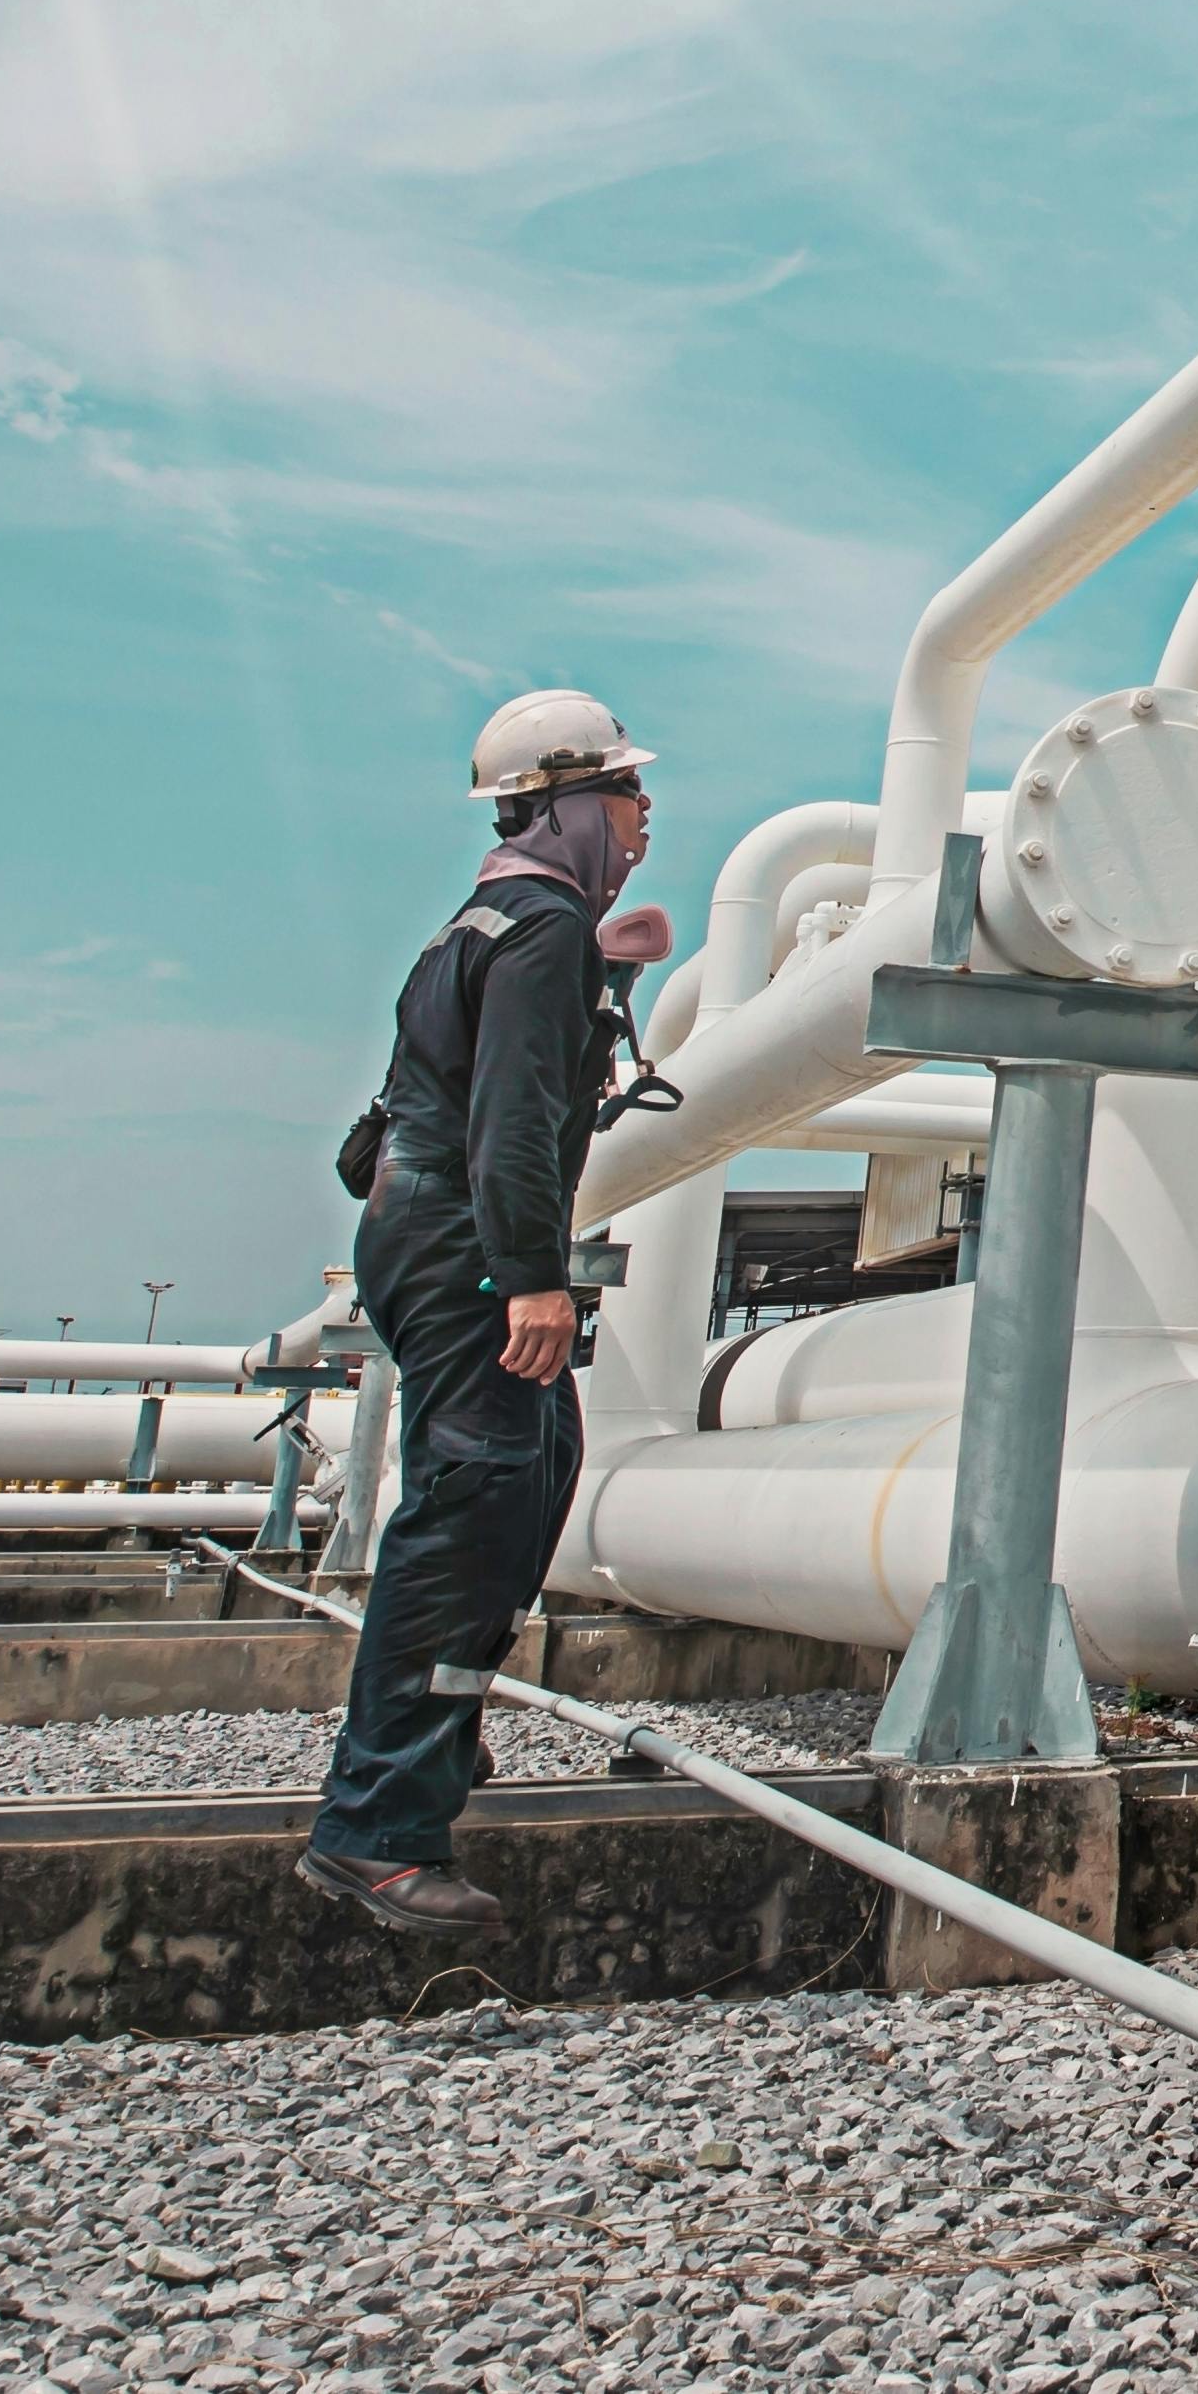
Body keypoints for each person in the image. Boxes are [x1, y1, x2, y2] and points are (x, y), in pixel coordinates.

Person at [301, 687, 676, 1934]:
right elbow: (511, 1120)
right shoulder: (542, 933)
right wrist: (531, 1276)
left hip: (416, 1223)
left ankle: (436, 1743)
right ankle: (379, 1828)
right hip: (467, 1237)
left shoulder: (486, 921)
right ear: (568, 800)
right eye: (626, 796)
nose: (641, 820)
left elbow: (416, 1101)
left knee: (535, 1463)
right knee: (472, 1494)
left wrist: (599, 971)